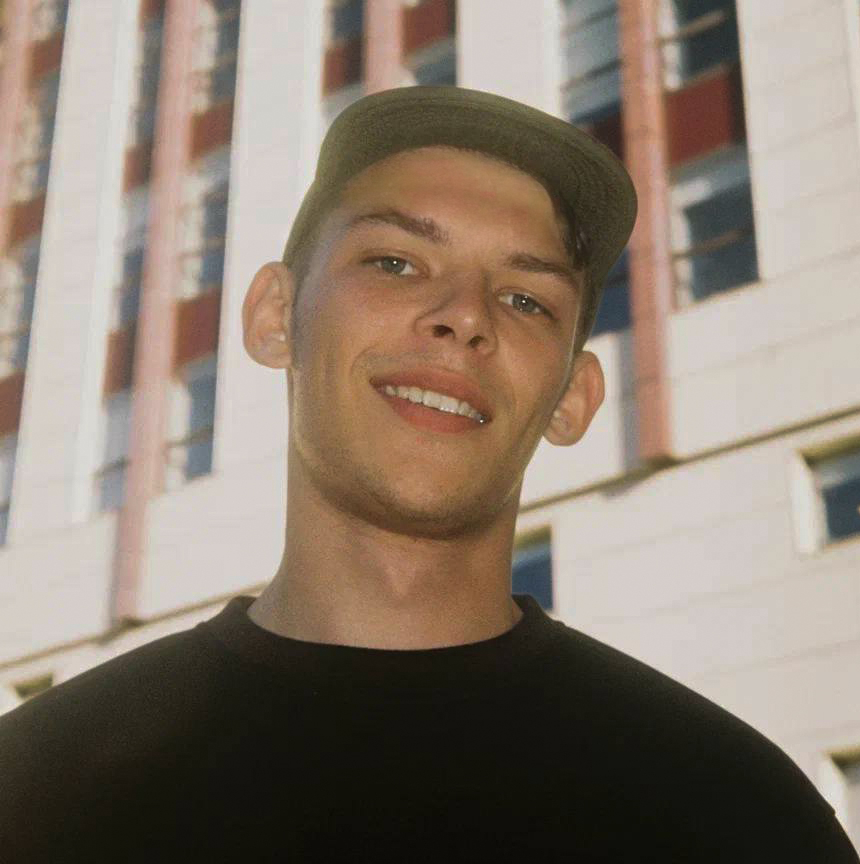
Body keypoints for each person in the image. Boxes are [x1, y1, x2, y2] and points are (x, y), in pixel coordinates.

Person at [0, 86, 856, 863]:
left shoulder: (737, 814)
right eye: (396, 263)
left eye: (525, 300)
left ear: (573, 397)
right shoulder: (36, 789)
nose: (463, 318)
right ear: (275, 316)